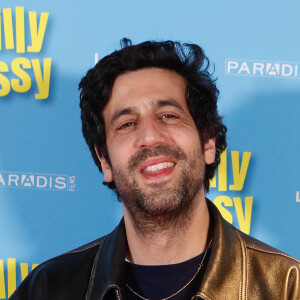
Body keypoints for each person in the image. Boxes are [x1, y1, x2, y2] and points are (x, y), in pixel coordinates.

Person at [11, 39, 300, 300]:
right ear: (105, 161)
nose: (149, 137)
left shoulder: (288, 287)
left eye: (168, 115)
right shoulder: (47, 288)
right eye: (126, 124)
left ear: (208, 142)